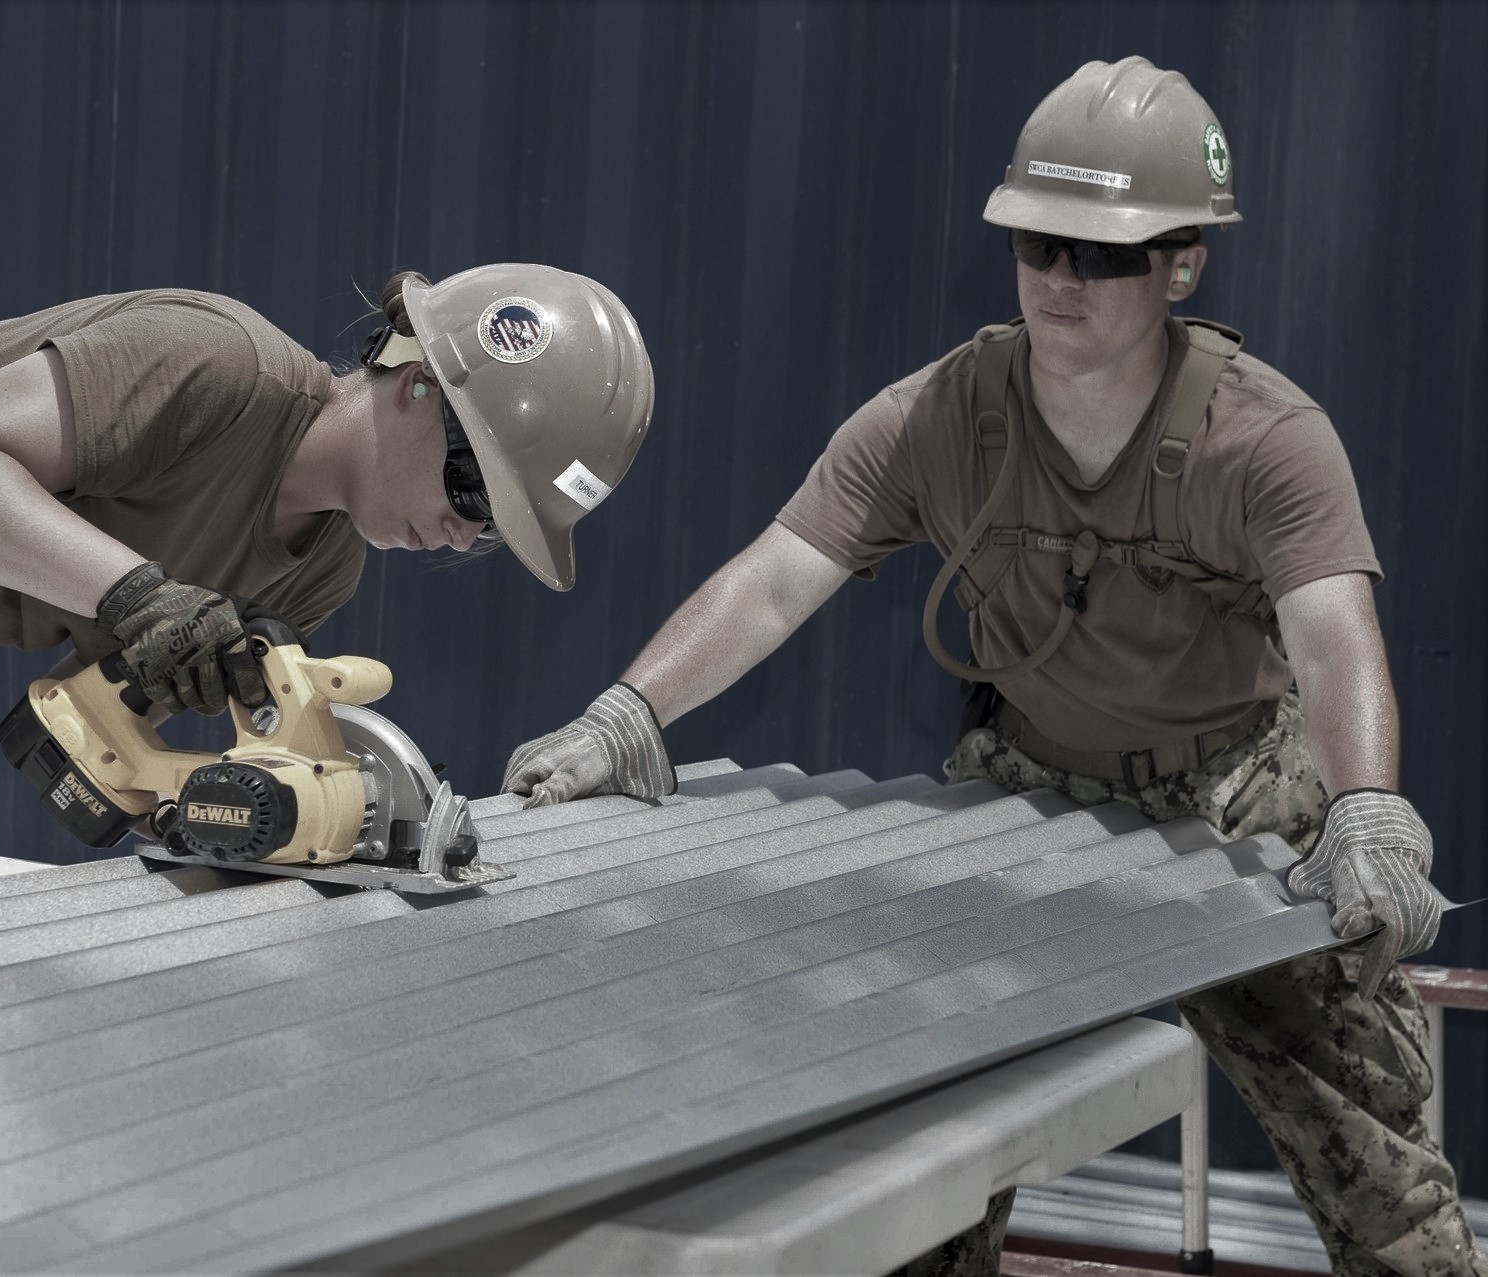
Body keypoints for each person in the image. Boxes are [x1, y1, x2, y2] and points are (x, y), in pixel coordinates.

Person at [504, 57, 1481, 1275]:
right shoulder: (939, 418)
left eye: (1105, 253)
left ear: (1184, 263)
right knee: (921, 1142)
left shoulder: (1265, 437)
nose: (1062, 279)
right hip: (1027, 785)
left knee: (1377, 1162)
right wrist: (622, 714)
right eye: (1038, 244)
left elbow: (1337, 635)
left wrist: (1368, 809)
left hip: (1240, 792)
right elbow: (776, 575)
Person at [0, 263, 655, 854]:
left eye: (492, 532)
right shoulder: (221, 364)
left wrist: (222, 811)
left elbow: (80, 731)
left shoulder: (317, 572)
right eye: (473, 490)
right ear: (420, 382)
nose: (463, 533)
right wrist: (137, 594)